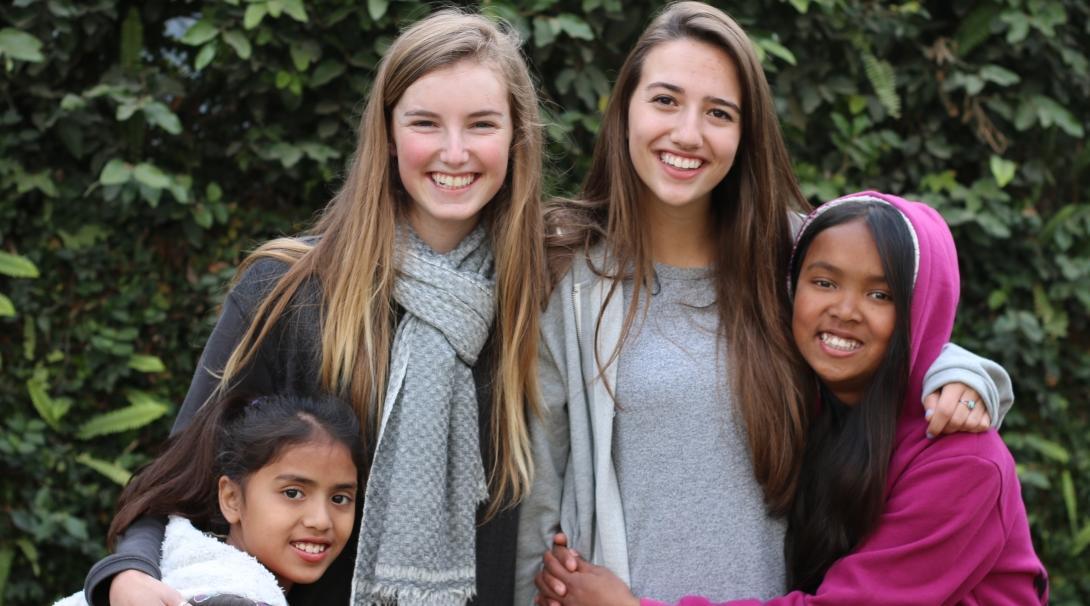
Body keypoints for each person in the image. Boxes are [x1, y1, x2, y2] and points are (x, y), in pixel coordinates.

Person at [515, 3, 1013, 604]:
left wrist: (961, 373)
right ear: (624, 109)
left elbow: (892, 325)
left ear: (746, 133)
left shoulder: (796, 259)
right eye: (666, 100)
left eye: (718, 113)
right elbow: (536, 488)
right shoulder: (568, 271)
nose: (688, 133)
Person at [84, 9, 546, 606]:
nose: (453, 152)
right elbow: (170, 488)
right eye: (425, 123)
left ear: (517, 137)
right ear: (386, 135)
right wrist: (127, 577)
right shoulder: (288, 290)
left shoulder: (543, 297)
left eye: (481, 124)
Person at [530, 192, 1048, 605]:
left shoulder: (962, 461)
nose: (844, 310)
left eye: (880, 294)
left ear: (919, 310)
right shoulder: (810, 409)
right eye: (823, 282)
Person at [57, 393, 362, 606]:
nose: (321, 520)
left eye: (340, 498)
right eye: (293, 493)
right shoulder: (231, 594)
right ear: (231, 498)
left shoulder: (190, 563)